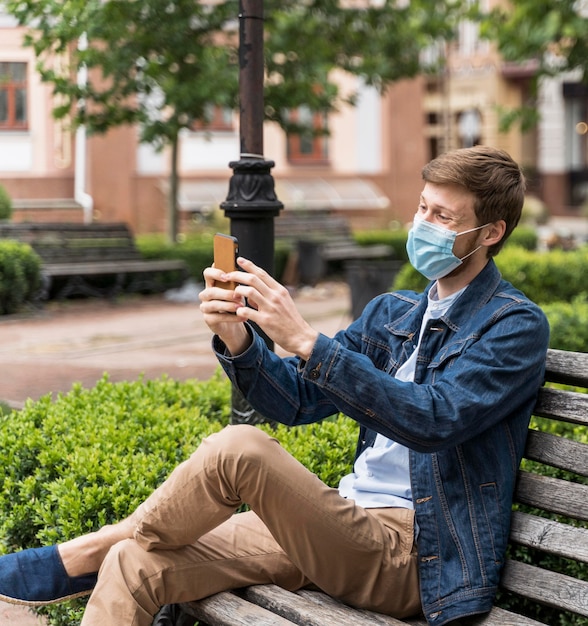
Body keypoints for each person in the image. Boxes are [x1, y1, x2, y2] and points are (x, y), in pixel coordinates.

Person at [0, 146, 549, 626]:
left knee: (239, 448)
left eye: (443, 216)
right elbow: (297, 402)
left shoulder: (513, 326)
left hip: (416, 555)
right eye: (422, 207)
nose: (422, 223)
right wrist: (238, 339)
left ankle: (80, 553)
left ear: (491, 233)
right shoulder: (393, 314)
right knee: (135, 562)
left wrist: (309, 341)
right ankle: (106, 551)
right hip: (343, 523)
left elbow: (435, 419)